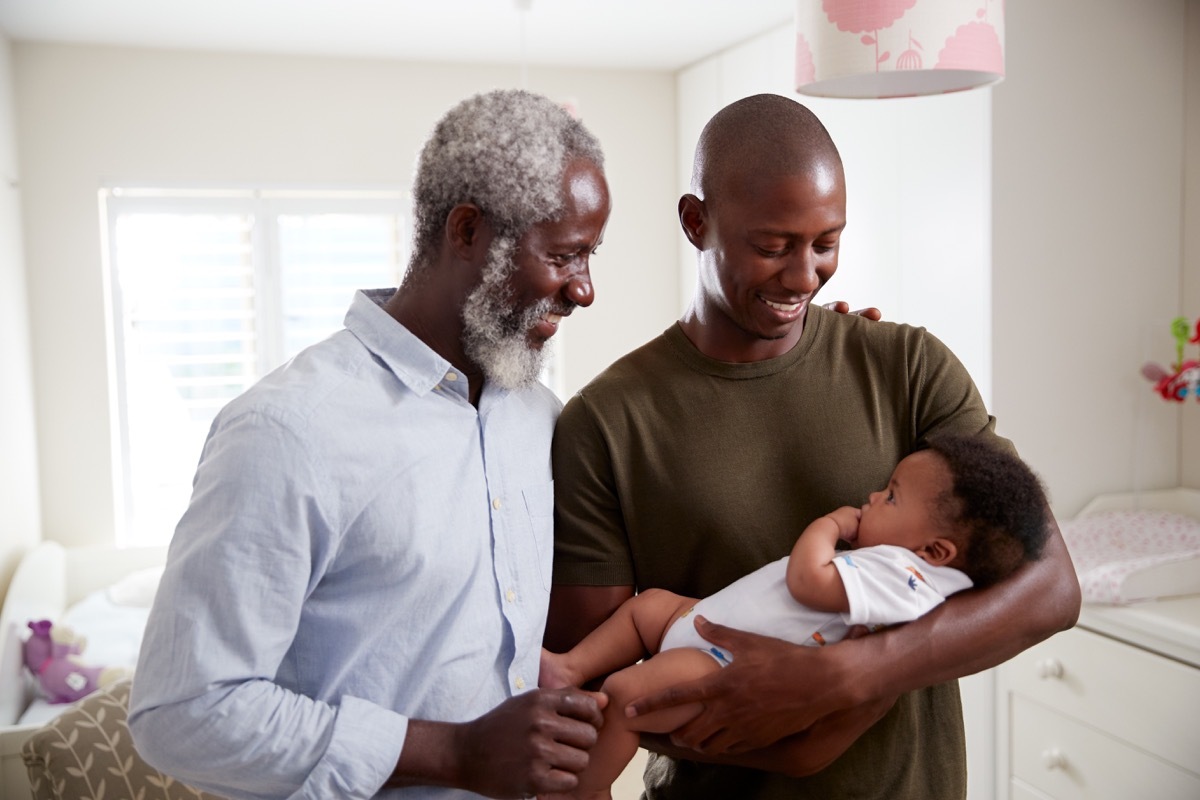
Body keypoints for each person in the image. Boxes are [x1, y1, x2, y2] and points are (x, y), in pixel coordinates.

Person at [545, 93, 1082, 799]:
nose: (803, 278)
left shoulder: (909, 367)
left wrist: (849, 676)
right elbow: (587, 691)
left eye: (826, 243)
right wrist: (780, 735)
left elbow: (1051, 588)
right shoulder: (607, 423)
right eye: (772, 246)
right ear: (696, 221)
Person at [129, 89, 614, 800]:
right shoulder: (286, 432)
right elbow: (182, 711)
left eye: (592, 256)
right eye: (565, 257)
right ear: (468, 231)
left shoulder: (537, 417)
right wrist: (453, 752)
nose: (585, 291)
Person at [540, 434, 1049, 799]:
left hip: (722, 663)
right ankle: (569, 667)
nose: (873, 498)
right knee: (648, 606)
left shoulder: (908, 578)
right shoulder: (903, 564)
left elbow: (809, 581)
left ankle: (587, 789)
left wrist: (828, 526)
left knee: (628, 696)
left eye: (891, 496)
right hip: (706, 623)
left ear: (935, 550)